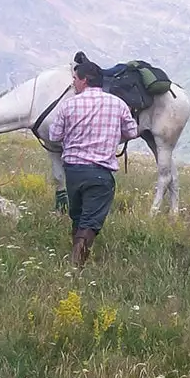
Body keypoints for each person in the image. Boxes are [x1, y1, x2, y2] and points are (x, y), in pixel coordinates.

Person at [49, 53, 139, 267]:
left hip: (73, 171)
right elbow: (132, 131)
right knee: (90, 220)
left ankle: (75, 259)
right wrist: (114, 137)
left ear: (85, 80)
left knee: (78, 216)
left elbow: (54, 136)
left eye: (75, 80)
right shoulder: (118, 104)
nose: (74, 84)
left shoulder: (68, 105)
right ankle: (76, 263)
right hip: (100, 171)